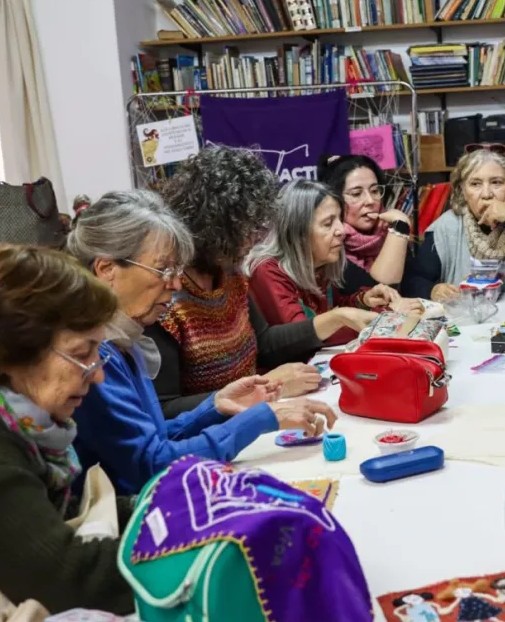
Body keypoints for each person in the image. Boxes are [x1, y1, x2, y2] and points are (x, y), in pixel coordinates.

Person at [68, 191, 336, 495]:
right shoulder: (93, 355)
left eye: (176, 271)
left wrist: (215, 406)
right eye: (163, 269)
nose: (175, 284)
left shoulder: (125, 338)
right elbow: (151, 466)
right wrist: (260, 419)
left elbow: (156, 437)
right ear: (107, 270)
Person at [0, 244, 134, 613]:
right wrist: (195, 548)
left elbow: (51, 520)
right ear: (14, 351)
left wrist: (167, 504)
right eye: (81, 354)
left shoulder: (18, 425)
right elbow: (69, 581)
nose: (98, 375)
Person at [147, 146, 328, 418]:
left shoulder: (229, 274)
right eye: (244, 228)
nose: (253, 238)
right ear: (211, 226)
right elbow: (166, 409)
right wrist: (262, 390)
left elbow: (264, 342)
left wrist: (337, 319)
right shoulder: (166, 297)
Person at [246, 180, 421, 338]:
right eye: (328, 224)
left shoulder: (318, 263)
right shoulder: (268, 270)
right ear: (297, 232)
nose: (342, 231)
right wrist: (386, 317)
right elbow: (303, 335)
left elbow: (334, 308)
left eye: (339, 220)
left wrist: (364, 300)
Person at [402, 144, 505, 300]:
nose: (486, 194)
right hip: (466, 313)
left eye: (496, 182)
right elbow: (412, 282)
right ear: (462, 190)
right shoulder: (447, 225)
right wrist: (432, 290)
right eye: (475, 184)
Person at [319, 154, 412, 285]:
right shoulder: (330, 244)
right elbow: (378, 291)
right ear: (334, 199)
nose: (370, 201)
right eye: (356, 194)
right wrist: (399, 228)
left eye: (374, 191)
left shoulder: (388, 230)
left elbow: (413, 280)